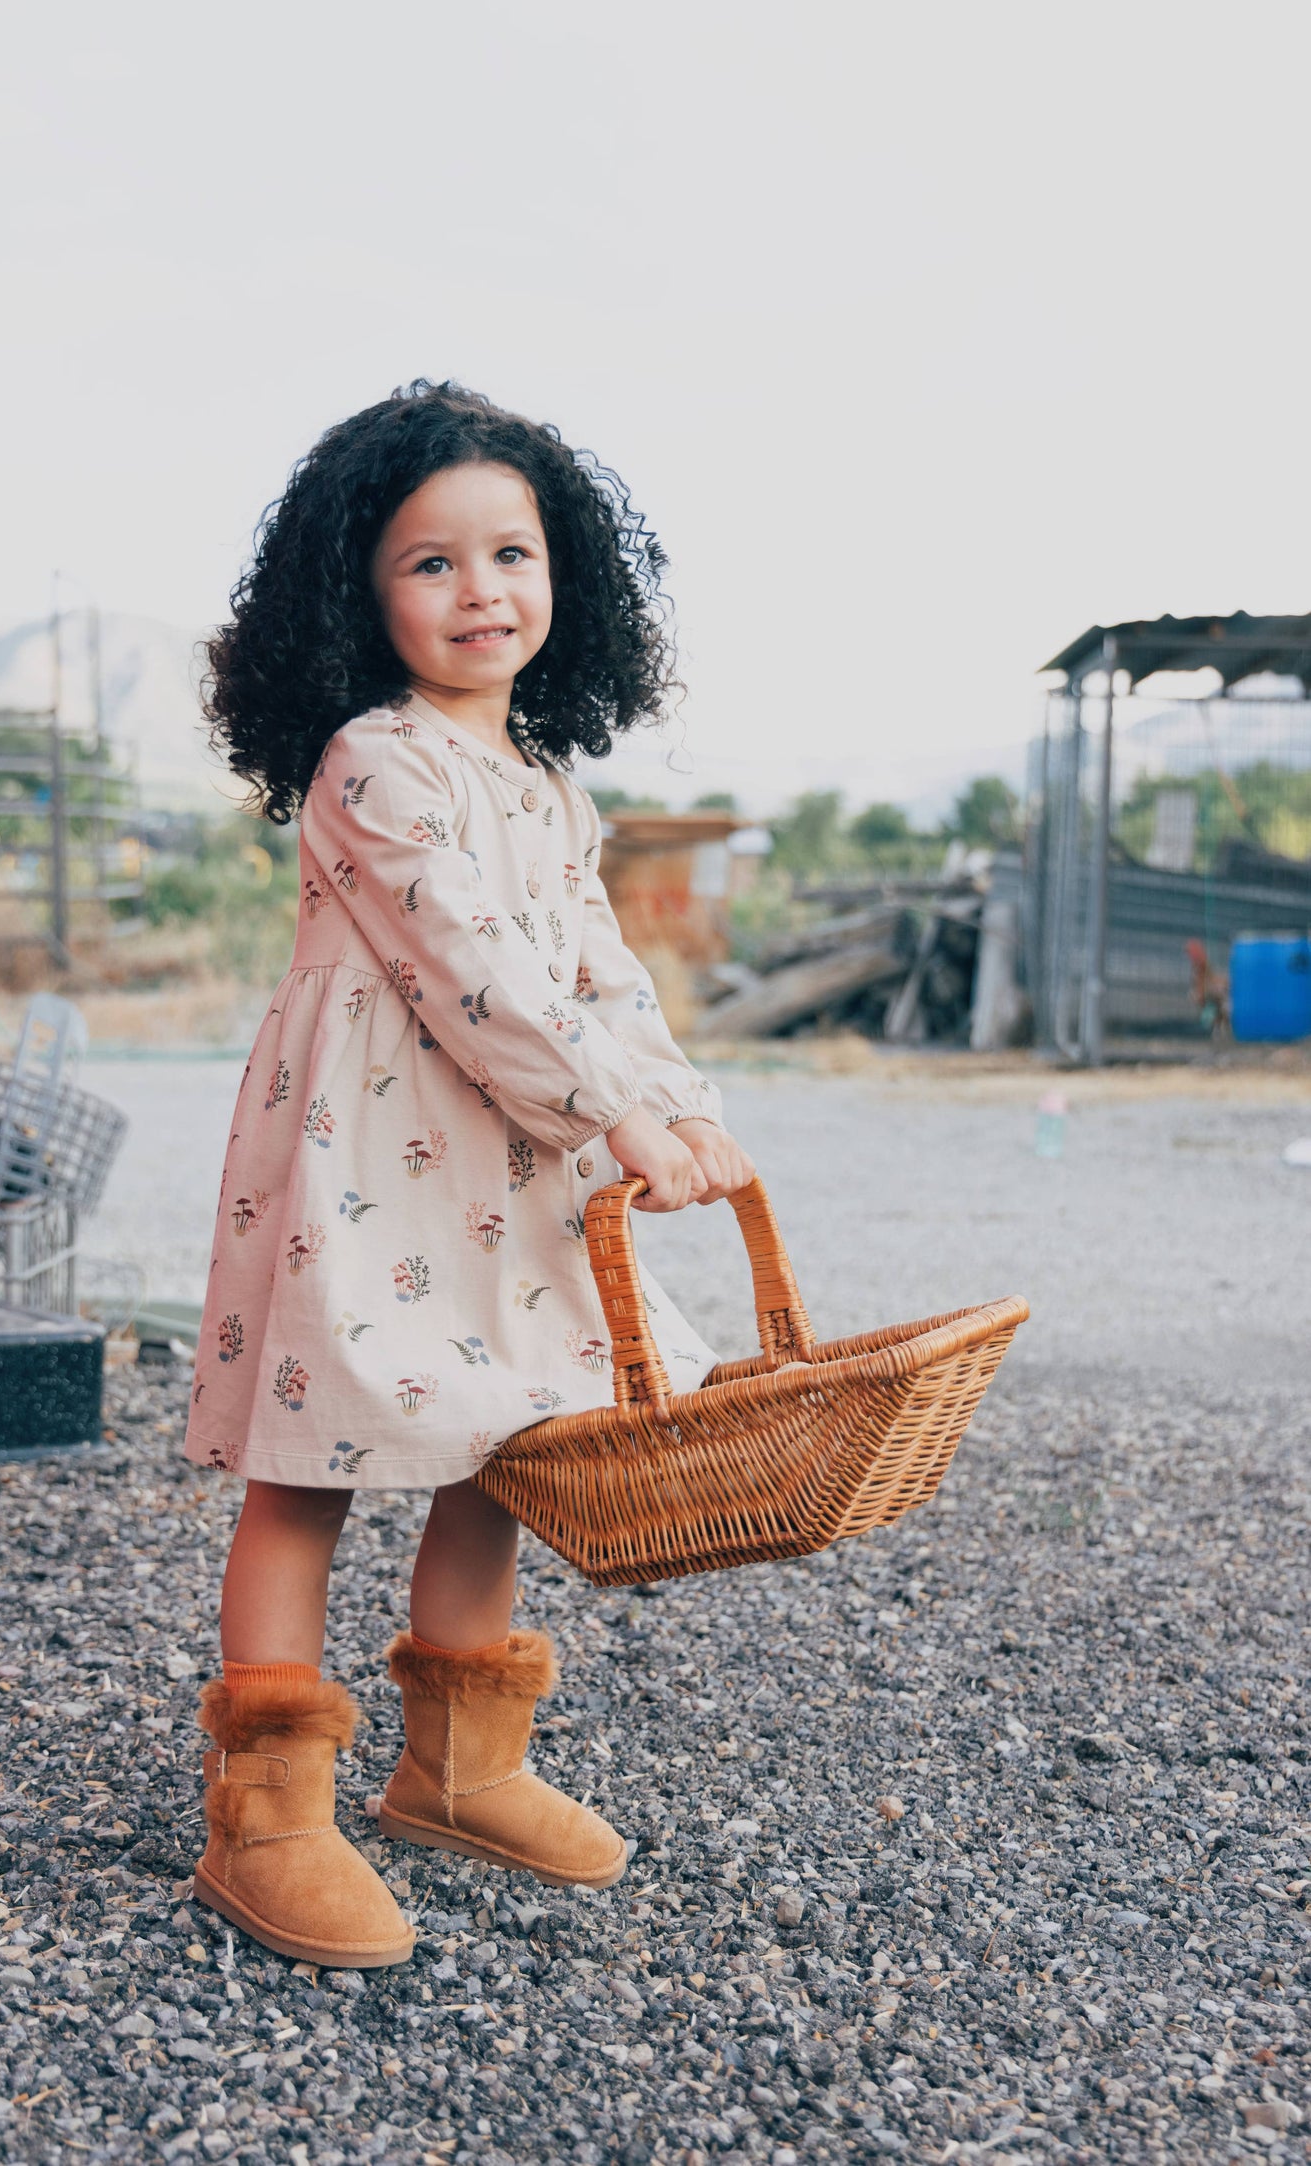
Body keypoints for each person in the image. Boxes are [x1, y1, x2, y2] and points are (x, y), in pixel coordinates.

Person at [183, 379, 755, 1969]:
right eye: (430, 562)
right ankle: (270, 1813)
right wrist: (610, 1115)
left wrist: (676, 1103)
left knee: (495, 1426)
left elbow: (600, 971)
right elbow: (475, 971)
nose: (479, 590)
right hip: (369, 1159)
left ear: (564, 577)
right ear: (360, 596)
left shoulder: (547, 786)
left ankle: (457, 1763)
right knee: (312, 1452)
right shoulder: (375, 763)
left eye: (510, 552)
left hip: (503, 1158)